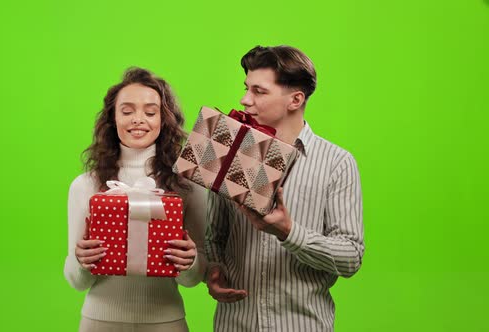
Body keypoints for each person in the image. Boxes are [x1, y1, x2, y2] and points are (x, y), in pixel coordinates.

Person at [205, 45, 364, 331]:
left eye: (259, 91)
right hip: (235, 324)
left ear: (295, 99)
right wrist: (214, 271)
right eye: (246, 88)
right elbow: (214, 235)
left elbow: (351, 256)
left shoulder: (337, 162)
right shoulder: (229, 149)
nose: (244, 100)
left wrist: (288, 232)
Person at [64, 67, 207, 332]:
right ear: (112, 119)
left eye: (150, 112)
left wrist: (190, 261)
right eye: (127, 111)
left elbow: (193, 279)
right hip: (99, 322)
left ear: (164, 120)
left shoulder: (187, 186)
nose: (138, 119)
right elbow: (76, 281)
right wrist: (82, 261)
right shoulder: (85, 186)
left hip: (167, 322)